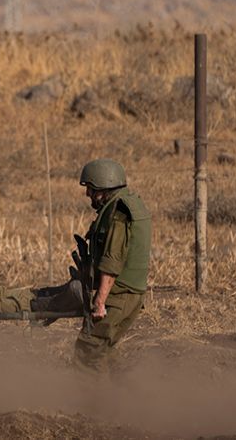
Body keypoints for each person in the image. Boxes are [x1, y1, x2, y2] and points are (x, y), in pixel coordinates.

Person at [74, 158, 151, 373]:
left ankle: (92, 406)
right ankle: (121, 401)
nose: (88, 194)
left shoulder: (117, 213)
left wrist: (100, 301)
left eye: (90, 188)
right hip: (131, 294)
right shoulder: (131, 203)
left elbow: (112, 260)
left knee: (87, 353)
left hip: (117, 296)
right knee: (104, 353)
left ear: (101, 186)